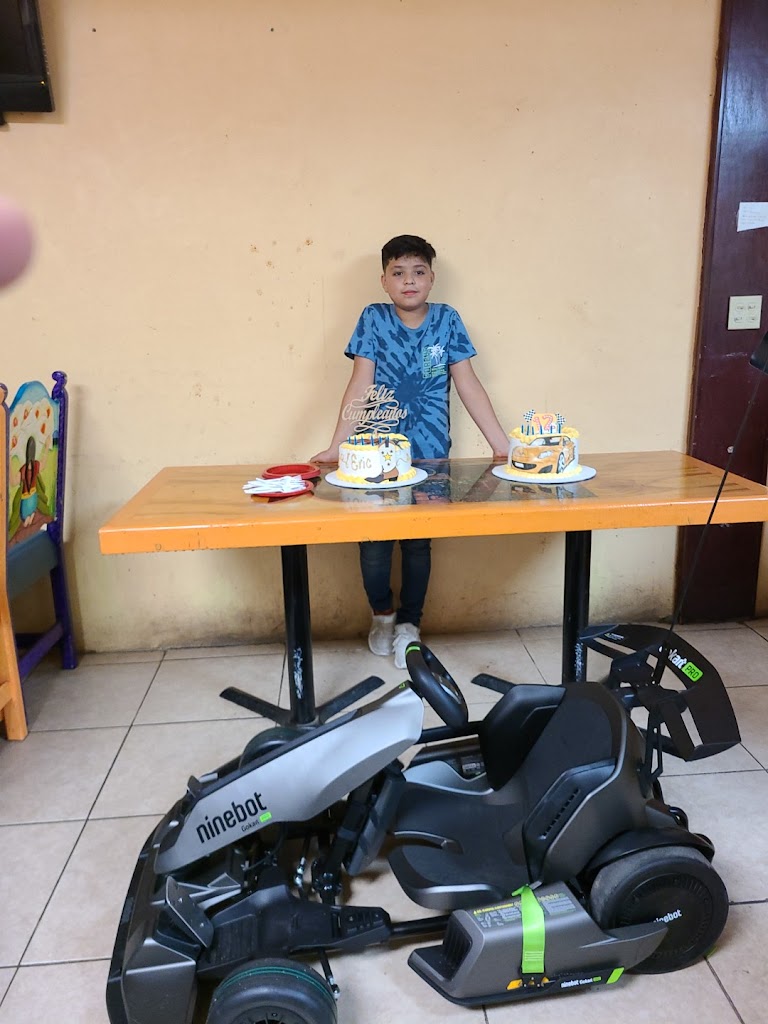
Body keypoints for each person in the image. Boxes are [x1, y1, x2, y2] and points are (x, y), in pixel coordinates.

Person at [312, 234, 508, 668]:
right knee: (374, 546)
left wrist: (500, 444)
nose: (409, 281)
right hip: (376, 458)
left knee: (419, 545)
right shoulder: (373, 318)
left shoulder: (447, 320)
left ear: (432, 278)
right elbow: (360, 383)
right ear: (384, 281)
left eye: (418, 272)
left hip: (430, 456)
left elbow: (468, 384)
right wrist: (337, 445)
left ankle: (409, 625)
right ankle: (382, 614)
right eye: (398, 273)